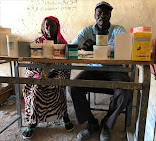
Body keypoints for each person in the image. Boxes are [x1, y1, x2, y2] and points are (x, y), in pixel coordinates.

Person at [69, 1, 130, 141]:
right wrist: (82, 46)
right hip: (93, 70)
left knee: (124, 92)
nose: (102, 16)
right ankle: (91, 124)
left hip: (115, 71)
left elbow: (126, 46)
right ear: (95, 15)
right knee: (73, 87)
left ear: (110, 15)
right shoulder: (87, 31)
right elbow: (72, 46)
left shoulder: (118, 30)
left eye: (106, 13)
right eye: (99, 13)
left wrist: (101, 46)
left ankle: (106, 125)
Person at [22, 16, 74, 139]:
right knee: (35, 91)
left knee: (57, 87)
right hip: (38, 75)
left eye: (53, 26)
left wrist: (55, 74)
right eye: (47, 26)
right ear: (43, 27)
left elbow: (67, 65)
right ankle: (33, 121)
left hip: (56, 75)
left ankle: (64, 115)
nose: (49, 29)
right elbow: (30, 64)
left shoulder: (62, 44)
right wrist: (38, 74)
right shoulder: (37, 42)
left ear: (57, 28)